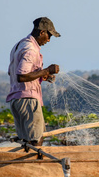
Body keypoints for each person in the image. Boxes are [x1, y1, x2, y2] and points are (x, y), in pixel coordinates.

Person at [6, 17, 61, 146]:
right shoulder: (31, 49)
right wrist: (47, 70)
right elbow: (22, 76)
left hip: (17, 100)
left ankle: (24, 164)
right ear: (42, 32)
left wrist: (43, 76)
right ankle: (34, 165)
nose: (48, 40)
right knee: (37, 139)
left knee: (26, 142)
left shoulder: (19, 45)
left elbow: (13, 72)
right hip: (28, 100)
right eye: (49, 36)